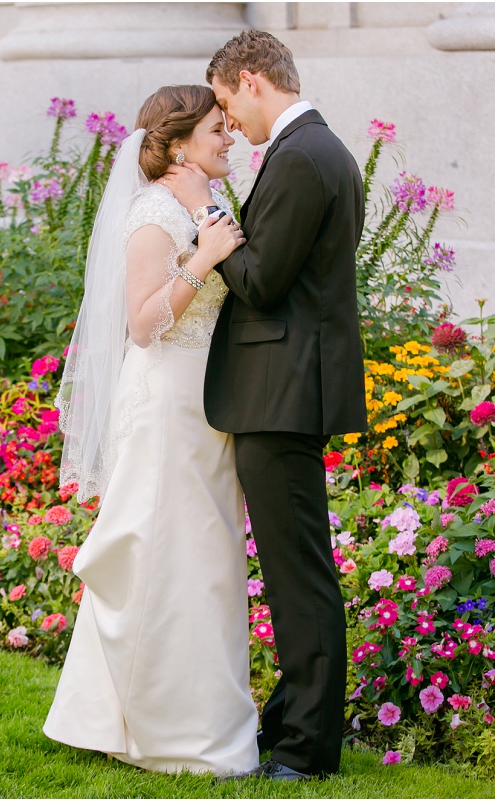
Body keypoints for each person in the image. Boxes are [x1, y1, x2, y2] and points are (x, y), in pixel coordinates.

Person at [162, 30, 368, 781]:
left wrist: (206, 212)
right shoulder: (317, 151)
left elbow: (264, 280)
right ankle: (290, 719)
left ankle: (307, 750)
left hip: (281, 392)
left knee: (298, 575)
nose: (229, 123)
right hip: (285, 386)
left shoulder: (304, 156)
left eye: (224, 103)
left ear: (251, 81)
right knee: (293, 571)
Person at [43, 85, 258, 777]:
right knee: (165, 554)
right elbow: (141, 322)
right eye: (216, 131)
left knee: (205, 559)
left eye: (229, 128)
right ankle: (167, 733)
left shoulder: (201, 205)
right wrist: (201, 259)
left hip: (205, 400)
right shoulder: (154, 211)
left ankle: (179, 720)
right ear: (176, 146)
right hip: (167, 397)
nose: (229, 140)